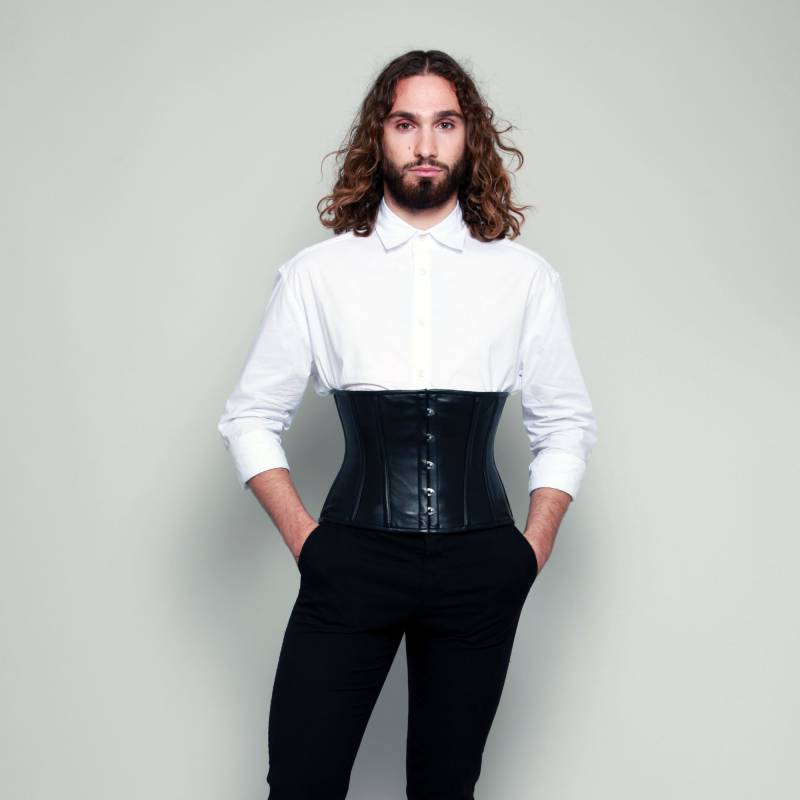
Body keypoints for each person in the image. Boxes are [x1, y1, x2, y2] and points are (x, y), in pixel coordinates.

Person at [217, 49, 597, 800]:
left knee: (445, 786)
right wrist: (308, 542)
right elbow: (249, 417)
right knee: (301, 781)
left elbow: (565, 422)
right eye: (405, 123)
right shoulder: (318, 274)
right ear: (379, 136)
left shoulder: (523, 278)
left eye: (445, 124)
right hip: (350, 559)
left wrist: (531, 550)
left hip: (481, 566)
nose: (425, 144)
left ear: (469, 137)